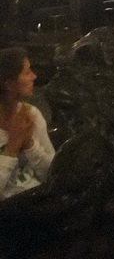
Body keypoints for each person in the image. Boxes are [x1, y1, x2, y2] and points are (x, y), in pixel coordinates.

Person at [0, 47, 54, 199]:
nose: (34, 76)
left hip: (37, 200)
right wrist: (11, 148)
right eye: (27, 72)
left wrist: (30, 144)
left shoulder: (31, 115)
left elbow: (51, 174)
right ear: (9, 84)